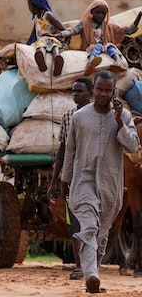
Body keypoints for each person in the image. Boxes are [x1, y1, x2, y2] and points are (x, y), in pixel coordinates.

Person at [61, 70, 139, 294]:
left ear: (114, 92)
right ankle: (91, 275)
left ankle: (93, 275)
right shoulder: (79, 117)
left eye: (107, 90)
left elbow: (133, 147)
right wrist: (64, 180)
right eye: (99, 90)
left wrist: (119, 123)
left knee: (101, 234)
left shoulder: (122, 116)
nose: (103, 94)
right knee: (89, 227)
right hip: (82, 181)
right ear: (93, 90)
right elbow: (70, 151)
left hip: (111, 185)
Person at [47, 77, 93, 281]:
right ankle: (79, 266)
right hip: (73, 176)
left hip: (95, 175)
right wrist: (55, 180)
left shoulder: (102, 115)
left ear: (90, 93)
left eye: (80, 91)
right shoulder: (68, 116)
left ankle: (93, 265)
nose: (75, 95)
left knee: (93, 222)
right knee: (74, 222)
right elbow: (63, 150)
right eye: (73, 91)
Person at [55, 0, 142, 76]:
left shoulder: (109, 26)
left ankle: (118, 63)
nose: (100, 15)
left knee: (112, 47)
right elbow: (71, 31)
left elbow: (129, 30)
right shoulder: (84, 24)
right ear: (91, 12)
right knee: (97, 47)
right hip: (92, 47)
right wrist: (58, 35)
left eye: (103, 13)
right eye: (98, 12)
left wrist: (139, 17)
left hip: (105, 47)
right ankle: (91, 62)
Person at [26, 0, 66, 76]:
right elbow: (33, 34)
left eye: (28, 5)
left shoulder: (48, 15)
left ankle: (58, 60)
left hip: (52, 38)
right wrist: (26, 45)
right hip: (41, 41)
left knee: (55, 46)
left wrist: (54, 35)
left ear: (33, 4)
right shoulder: (37, 19)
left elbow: (63, 29)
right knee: (41, 47)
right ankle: (41, 61)